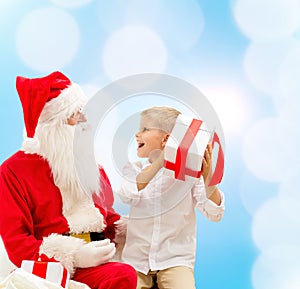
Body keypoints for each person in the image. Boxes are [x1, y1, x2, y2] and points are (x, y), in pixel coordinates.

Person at [0, 71, 137, 289]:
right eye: (76, 114)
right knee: (122, 276)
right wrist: (74, 255)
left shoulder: (91, 166)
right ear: (54, 124)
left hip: (101, 260)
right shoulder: (13, 171)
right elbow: (17, 243)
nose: (85, 121)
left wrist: (136, 228)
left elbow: (107, 217)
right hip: (50, 270)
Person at [118, 106, 225, 289]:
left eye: (145, 129)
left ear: (166, 138)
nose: (137, 134)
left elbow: (215, 213)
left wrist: (208, 179)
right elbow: (126, 193)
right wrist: (161, 162)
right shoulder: (134, 169)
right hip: (136, 262)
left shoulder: (190, 176)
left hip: (175, 261)